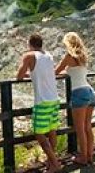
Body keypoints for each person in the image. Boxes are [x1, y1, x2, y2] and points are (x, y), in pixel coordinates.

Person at [17, 33, 61, 173]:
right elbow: (42, 72)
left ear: (30, 44)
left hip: (42, 101)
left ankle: (55, 163)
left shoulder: (29, 56)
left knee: (39, 134)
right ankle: (51, 162)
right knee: (52, 131)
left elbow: (18, 76)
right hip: (54, 98)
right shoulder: (48, 55)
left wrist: (25, 72)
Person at [55, 32, 95, 165]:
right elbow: (74, 71)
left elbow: (55, 72)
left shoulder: (68, 56)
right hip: (89, 91)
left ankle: (83, 158)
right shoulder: (83, 57)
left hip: (78, 93)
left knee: (80, 129)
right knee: (87, 127)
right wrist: (66, 72)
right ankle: (90, 156)